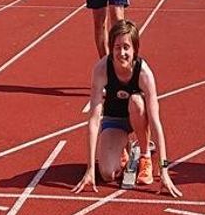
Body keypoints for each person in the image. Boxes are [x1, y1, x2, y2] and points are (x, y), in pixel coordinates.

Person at [73, 19, 182, 197]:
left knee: (137, 101)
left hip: (139, 118)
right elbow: (94, 120)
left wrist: (164, 171)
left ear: (134, 50)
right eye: (117, 47)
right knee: (107, 174)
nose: (122, 53)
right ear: (111, 48)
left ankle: (145, 155)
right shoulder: (101, 69)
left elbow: (155, 123)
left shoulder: (144, 73)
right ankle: (124, 148)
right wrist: (90, 168)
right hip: (114, 120)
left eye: (126, 47)